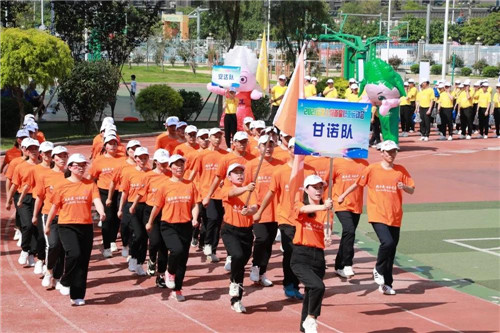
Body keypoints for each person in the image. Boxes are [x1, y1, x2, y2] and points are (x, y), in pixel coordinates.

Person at [338, 140, 415, 295]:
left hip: (395, 215)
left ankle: (387, 284)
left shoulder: (400, 170)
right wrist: (343, 195)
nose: (391, 155)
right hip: (377, 214)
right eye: (388, 152)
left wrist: (404, 187)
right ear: (382, 153)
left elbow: (411, 189)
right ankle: (377, 269)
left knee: (391, 250)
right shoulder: (372, 169)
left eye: (394, 152)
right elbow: (357, 184)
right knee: (387, 242)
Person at [44, 153, 106, 306]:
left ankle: (77, 295)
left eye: (83, 165)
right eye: (77, 165)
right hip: (66, 225)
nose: (81, 168)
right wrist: (47, 225)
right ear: (70, 167)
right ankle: (65, 280)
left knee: (83, 261)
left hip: (85, 226)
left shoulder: (90, 184)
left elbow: (97, 200)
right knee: (74, 254)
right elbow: (54, 207)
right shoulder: (61, 186)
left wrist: (101, 211)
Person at [257, 138, 315, 299]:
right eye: (292, 148)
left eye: (299, 149)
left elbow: (316, 195)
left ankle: (298, 284)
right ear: (288, 150)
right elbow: (271, 193)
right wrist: (260, 211)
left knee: (304, 254)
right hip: (286, 219)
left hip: (305, 220)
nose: (295, 152)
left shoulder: (311, 172)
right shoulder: (280, 172)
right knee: (291, 252)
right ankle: (290, 285)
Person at [146, 155, 199, 302]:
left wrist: (194, 218)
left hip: (186, 225)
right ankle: (169, 272)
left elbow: (195, 204)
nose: (179, 167)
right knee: (177, 250)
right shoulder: (164, 185)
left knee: (183, 259)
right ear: (170, 167)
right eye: (176, 165)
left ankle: (177, 289)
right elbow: (157, 206)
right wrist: (150, 222)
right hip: (168, 225)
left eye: (181, 165)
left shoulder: (190, 184)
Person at [203, 131, 256, 263]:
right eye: (240, 142)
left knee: (240, 225)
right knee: (221, 221)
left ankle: (230, 256)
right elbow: (217, 178)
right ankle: (216, 248)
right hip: (228, 196)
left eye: (245, 142)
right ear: (234, 143)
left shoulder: (252, 159)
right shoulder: (226, 158)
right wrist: (208, 195)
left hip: (246, 196)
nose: (243, 144)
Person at [291, 175, 332, 333]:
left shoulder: (327, 212)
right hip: (301, 255)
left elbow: (327, 229)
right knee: (318, 286)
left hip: (318, 256)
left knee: (310, 292)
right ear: (306, 189)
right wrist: (323, 207)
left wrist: (328, 236)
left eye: (321, 187)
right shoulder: (300, 205)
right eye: (315, 187)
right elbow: (302, 210)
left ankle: (305, 326)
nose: (318, 190)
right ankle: (312, 318)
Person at [245, 135, 284, 286]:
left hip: (275, 210)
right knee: (261, 239)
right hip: (258, 209)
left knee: (269, 242)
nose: (268, 148)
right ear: (259, 147)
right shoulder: (252, 165)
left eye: (271, 145)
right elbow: (248, 187)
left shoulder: (280, 165)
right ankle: (255, 266)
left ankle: (263, 272)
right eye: (264, 145)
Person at [220, 163, 257, 313]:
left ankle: (237, 298)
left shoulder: (251, 190)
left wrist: (249, 211)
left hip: (247, 231)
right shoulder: (226, 188)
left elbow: (255, 207)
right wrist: (246, 189)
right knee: (237, 255)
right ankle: (234, 287)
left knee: (242, 262)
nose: (239, 175)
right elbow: (233, 193)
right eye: (235, 173)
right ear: (229, 176)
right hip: (230, 230)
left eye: (241, 172)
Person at [32, 145, 68, 289]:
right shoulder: (44, 176)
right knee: (53, 245)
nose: (63, 158)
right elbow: (39, 197)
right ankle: (49, 270)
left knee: (63, 248)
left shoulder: (69, 175)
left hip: (67, 216)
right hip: (49, 215)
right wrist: (35, 215)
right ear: (54, 158)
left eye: (65, 155)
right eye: (59, 156)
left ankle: (58, 277)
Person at [133, 149, 171, 281]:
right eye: (161, 163)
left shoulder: (171, 175)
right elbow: (141, 193)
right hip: (150, 212)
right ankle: (152, 259)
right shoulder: (148, 176)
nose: (164, 165)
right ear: (155, 162)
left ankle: (160, 275)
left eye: (166, 162)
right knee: (155, 241)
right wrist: (133, 206)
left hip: (166, 212)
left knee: (164, 245)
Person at [331, 157, 369, 279]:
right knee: (349, 230)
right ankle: (347, 264)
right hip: (340, 202)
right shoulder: (336, 162)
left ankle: (339, 266)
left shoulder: (364, 163)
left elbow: (367, 182)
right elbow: (327, 181)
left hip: (356, 205)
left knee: (348, 234)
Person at [89, 135, 125, 258]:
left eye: (115, 143)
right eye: (110, 144)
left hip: (119, 191)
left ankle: (113, 240)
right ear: (105, 146)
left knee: (117, 218)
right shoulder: (99, 161)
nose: (113, 146)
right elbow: (92, 177)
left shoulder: (123, 159)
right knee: (107, 218)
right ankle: (106, 246)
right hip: (104, 192)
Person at [196, 128, 229, 262]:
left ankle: (211, 248)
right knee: (210, 219)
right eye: (215, 136)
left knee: (217, 221)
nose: (217, 139)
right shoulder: (201, 155)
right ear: (209, 138)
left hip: (221, 194)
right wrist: (199, 194)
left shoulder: (225, 155)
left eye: (219, 136)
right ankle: (206, 242)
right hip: (206, 193)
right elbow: (196, 175)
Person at [6, 138, 41, 267]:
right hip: (24, 198)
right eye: (30, 148)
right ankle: (25, 249)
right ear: (24, 150)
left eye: (35, 148)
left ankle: (32, 253)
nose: (33, 151)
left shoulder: (43, 165)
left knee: (37, 228)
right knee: (27, 225)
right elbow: (14, 185)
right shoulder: (20, 166)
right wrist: (9, 201)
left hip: (39, 199)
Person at [117, 146, 151, 275]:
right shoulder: (128, 173)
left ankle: (140, 262)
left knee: (144, 236)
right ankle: (133, 256)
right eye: (140, 158)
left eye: (145, 157)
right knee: (137, 234)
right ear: (135, 158)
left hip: (147, 207)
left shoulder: (150, 173)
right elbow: (124, 193)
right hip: (131, 207)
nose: (142, 160)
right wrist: (120, 209)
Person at [30, 141, 55, 274]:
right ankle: (40, 259)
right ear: (41, 154)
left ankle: (47, 262)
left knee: (51, 236)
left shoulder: (57, 170)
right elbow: (31, 186)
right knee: (41, 234)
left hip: (52, 205)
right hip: (39, 202)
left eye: (50, 152)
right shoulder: (36, 169)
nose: (48, 155)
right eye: (45, 153)